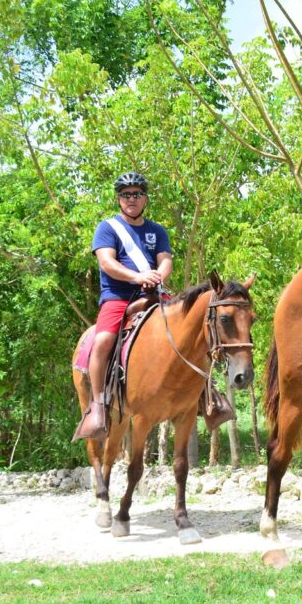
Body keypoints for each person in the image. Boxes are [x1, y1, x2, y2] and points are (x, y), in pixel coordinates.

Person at [72, 172, 173, 441]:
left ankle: (207, 396)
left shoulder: (157, 231)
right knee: (103, 340)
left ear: (145, 198)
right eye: (126, 194)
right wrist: (138, 276)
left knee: (193, 327)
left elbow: (165, 261)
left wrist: (158, 277)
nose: (132, 199)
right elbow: (107, 263)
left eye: (137, 194)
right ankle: (97, 406)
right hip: (117, 298)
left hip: (154, 295)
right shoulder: (107, 228)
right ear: (119, 198)